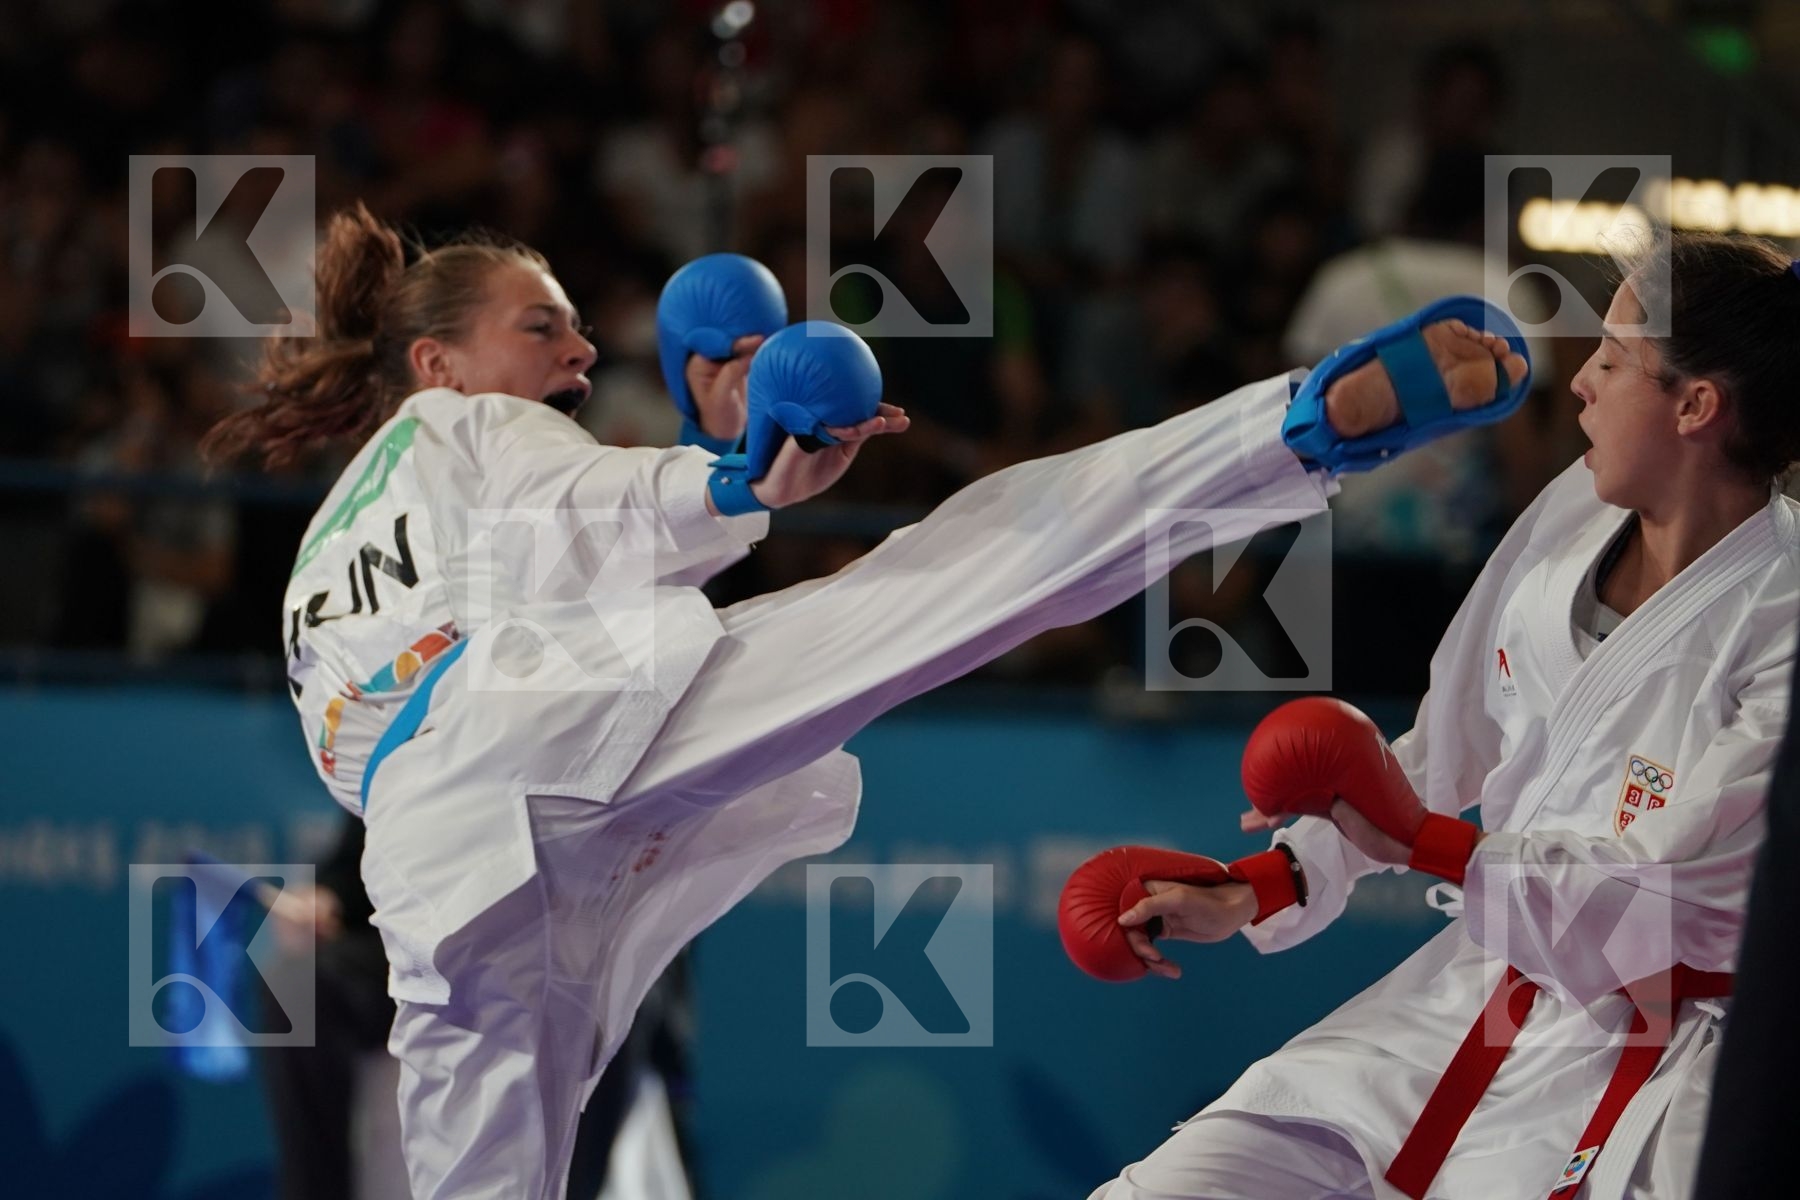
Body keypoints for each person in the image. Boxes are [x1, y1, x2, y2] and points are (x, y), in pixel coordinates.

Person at [202, 201, 1526, 1200]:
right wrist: (742, 481)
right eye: (539, 323)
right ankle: (1292, 427)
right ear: (433, 363)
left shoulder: (319, 561)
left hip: (448, 877)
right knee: (951, 577)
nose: (579, 345)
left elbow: (442, 681)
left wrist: (724, 461)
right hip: (545, 744)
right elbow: (608, 508)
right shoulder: (462, 429)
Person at [1082, 231, 1800, 1200]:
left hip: (1642, 1055)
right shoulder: (1567, 514)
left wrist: (1425, 843)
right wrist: (1266, 882)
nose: (1579, 383)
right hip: (1461, 999)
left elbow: (1665, 901)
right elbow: (1433, 755)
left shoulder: (1784, 615)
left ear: (1697, 406)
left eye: (1613, 359)